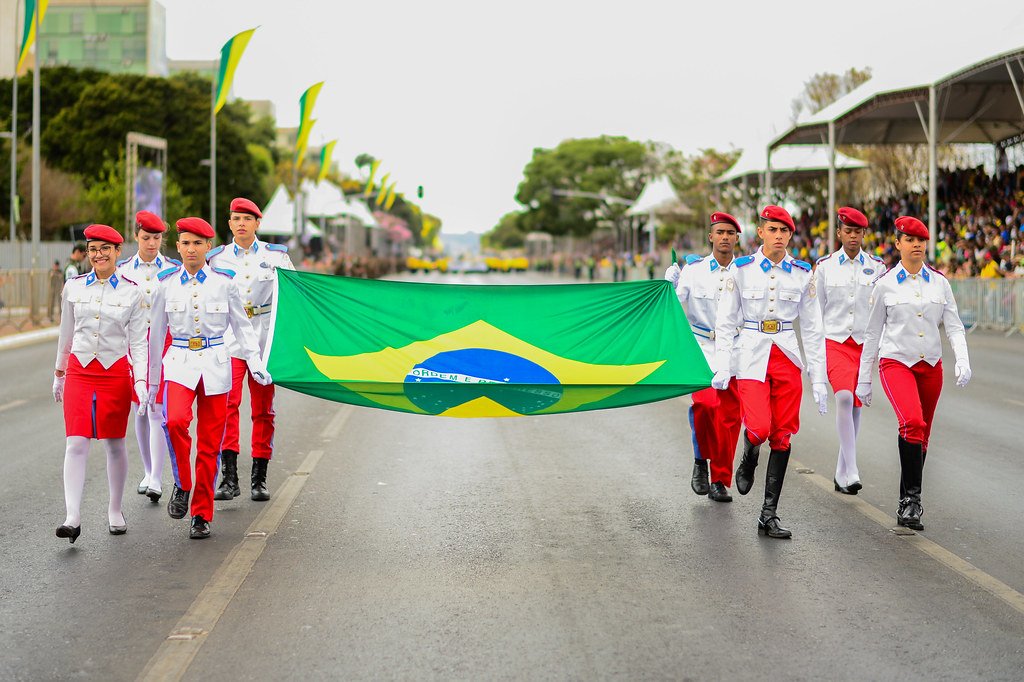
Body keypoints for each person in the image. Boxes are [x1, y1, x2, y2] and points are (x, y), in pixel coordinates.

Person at [147, 217, 270, 539]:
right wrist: (152, 382)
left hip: (216, 363)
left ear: (208, 248)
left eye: (197, 243)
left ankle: (201, 514)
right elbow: (157, 334)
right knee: (174, 422)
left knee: (209, 444)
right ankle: (182, 484)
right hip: (180, 362)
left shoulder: (224, 282)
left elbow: (242, 326)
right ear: (178, 247)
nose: (191, 249)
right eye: (185, 243)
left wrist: (255, 361)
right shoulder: (166, 283)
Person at [713, 205, 828, 539]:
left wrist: (818, 378)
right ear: (760, 232)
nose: (779, 236)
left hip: (787, 353)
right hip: (751, 351)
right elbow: (725, 320)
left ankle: (768, 515)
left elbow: (813, 328)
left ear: (791, 235)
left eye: (785, 231)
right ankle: (748, 455)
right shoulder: (742, 269)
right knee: (760, 426)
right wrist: (723, 364)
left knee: (782, 434)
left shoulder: (802, 272)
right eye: (773, 230)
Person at [856, 216, 971, 531]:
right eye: (909, 240)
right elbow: (872, 334)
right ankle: (913, 501)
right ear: (898, 244)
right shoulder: (885, 284)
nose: (916, 245)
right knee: (912, 422)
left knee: (922, 435)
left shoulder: (940, 283)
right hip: (896, 362)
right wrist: (864, 380)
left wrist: (962, 359)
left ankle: (905, 501)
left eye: (921, 240)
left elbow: (954, 326)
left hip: (930, 365)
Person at [52, 224, 149, 543]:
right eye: (93, 249)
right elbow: (65, 334)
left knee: (113, 442)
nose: (98, 255)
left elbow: (138, 342)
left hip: (115, 371)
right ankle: (72, 516)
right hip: (80, 369)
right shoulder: (74, 287)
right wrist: (59, 372)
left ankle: (115, 509)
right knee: (76, 441)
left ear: (118, 252)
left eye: (105, 249)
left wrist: (143, 380)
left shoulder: (133, 292)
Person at [207, 197, 295, 502]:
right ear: (229, 224)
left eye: (247, 218)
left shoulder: (277, 257)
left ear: (257, 223)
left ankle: (260, 476)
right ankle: (228, 477)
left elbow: (295, 298)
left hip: (263, 339)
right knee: (227, 406)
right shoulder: (216, 259)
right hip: (229, 338)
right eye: (236, 218)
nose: (241, 223)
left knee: (263, 410)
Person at [664, 212, 744, 503]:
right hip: (702, 348)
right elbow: (674, 304)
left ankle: (721, 479)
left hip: (734, 348)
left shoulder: (745, 271)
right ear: (711, 237)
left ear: (737, 238)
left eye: (730, 233)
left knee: (730, 418)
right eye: (720, 232)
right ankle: (701, 460)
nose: (725, 237)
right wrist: (668, 286)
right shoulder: (694, 270)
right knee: (706, 406)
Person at [813, 207, 887, 495]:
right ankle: (852, 468)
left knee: (856, 405)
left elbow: (881, 310)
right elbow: (815, 312)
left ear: (864, 234)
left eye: (858, 231)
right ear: (839, 232)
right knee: (843, 397)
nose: (853, 236)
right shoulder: (826, 266)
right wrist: (816, 356)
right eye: (848, 231)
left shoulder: (877, 267)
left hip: (864, 344)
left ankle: (842, 471)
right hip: (834, 340)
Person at [116, 210, 180, 502]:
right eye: (146, 238)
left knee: (156, 407)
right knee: (138, 408)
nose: (152, 243)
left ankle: (156, 477)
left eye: (156, 238)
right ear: (136, 236)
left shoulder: (173, 268)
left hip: (164, 342)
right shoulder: (123, 270)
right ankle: (146, 470)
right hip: (134, 344)